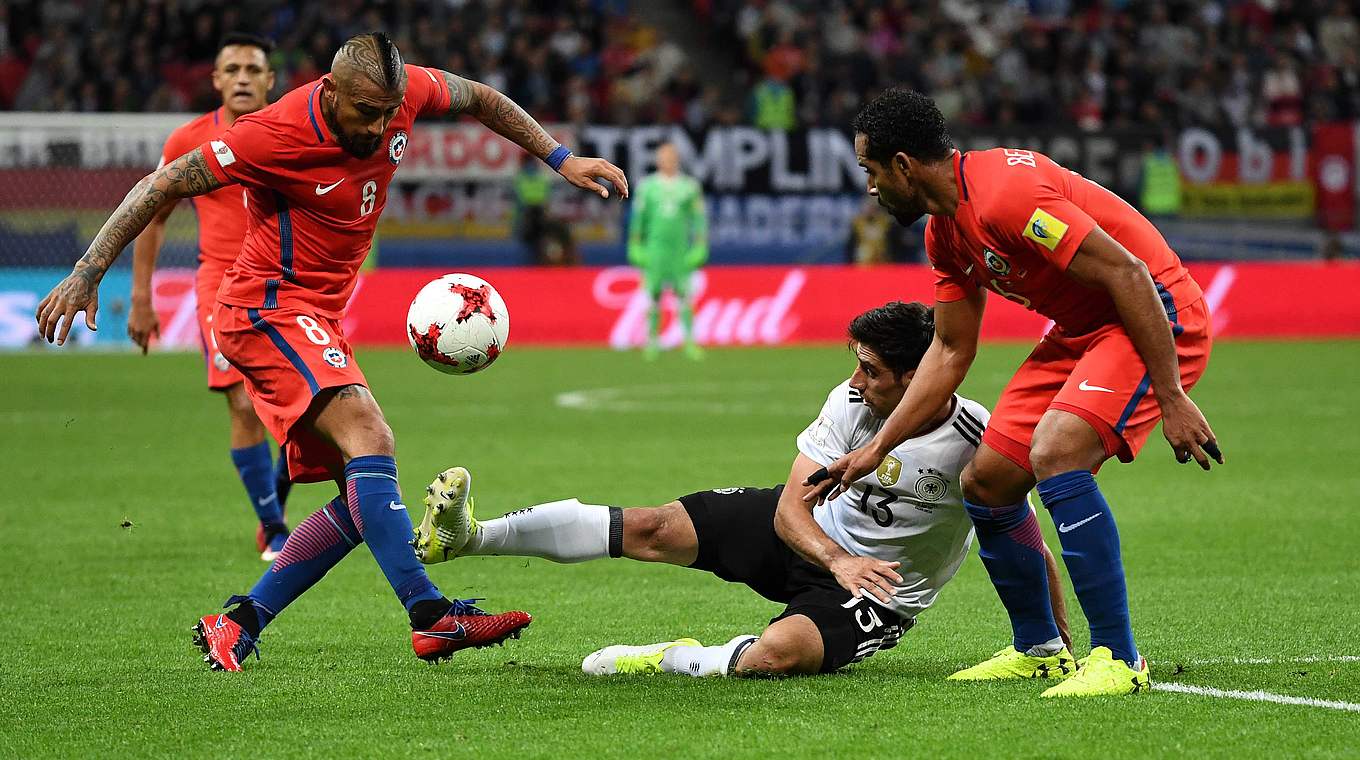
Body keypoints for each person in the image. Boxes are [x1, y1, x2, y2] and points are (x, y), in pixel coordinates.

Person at [35, 32, 630, 672]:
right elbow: (161, 186)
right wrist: (88, 270)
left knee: (359, 497)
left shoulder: (400, 95)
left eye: (388, 112)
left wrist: (560, 158)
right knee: (371, 436)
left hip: (317, 315)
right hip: (265, 307)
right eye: (366, 112)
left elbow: (480, 99)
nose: (379, 127)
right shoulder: (275, 133)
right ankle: (430, 617)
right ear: (330, 90)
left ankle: (238, 623)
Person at [813, 89, 1221, 697]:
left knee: (1056, 453)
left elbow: (1128, 273)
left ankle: (1117, 657)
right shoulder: (944, 236)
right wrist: (877, 449)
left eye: (871, 172)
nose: (870, 187)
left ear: (903, 165)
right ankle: (1042, 649)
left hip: (1154, 315)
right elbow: (950, 350)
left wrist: (1171, 394)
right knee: (987, 481)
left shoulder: (1006, 195)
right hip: (1082, 332)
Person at [413, 302, 1072, 677]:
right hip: (815, 541)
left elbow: (1028, 547)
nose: (856, 379)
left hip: (881, 595)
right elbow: (791, 509)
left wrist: (1056, 644)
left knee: (773, 659)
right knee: (653, 526)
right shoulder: (850, 402)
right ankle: (474, 536)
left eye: (872, 371)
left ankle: (673, 658)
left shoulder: (976, 442)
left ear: (913, 377)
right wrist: (835, 554)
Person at [126, 32, 294, 562]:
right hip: (220, 286)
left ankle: (276, 504)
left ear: (270, 80)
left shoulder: (294, 130)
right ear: (217, 79)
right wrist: (140, 297)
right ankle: (272, 526)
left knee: (302, 407)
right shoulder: (188, 141)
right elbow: (152, 219)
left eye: (253, 68)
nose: (242, 77)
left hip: (288, 283)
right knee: (243, 401)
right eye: (232, 69)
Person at [627, 142, 708, 360]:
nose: (668, 161)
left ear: (677, 159)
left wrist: (700, 245)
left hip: (679, 250)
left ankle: (690, 341)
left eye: (671, 157)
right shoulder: (647, 187)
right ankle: (652, 341)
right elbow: (638, 220)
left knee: (684, 295)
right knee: (653, 295)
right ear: (657, 160)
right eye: (664, 157)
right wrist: (634, 245)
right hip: (655, 250)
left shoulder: (690, 187)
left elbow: (698, 219)